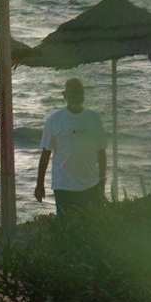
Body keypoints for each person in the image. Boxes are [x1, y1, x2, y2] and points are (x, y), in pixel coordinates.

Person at [34, 78, 108, 217]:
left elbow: (101, 151)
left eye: (79, 92)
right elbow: (45, 154)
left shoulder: (93, 118)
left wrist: (102, 180)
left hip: (90, 184)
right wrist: (39, 185)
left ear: (84, 95)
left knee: (90, 228)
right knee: (66, 228)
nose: (76, 95)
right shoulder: (54, 120)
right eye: (72, 92)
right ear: (64, 95)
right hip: (63, 186)